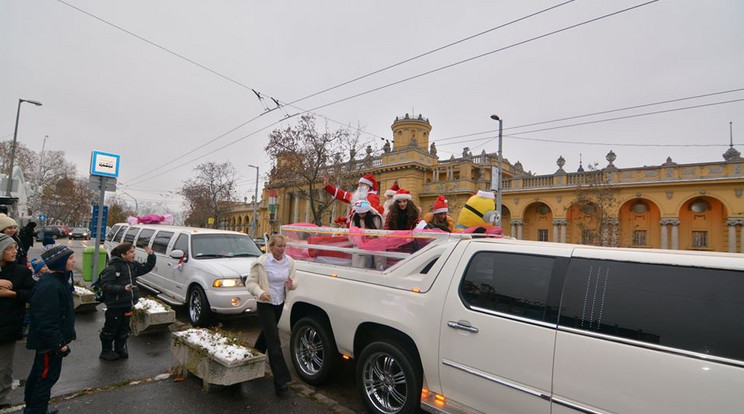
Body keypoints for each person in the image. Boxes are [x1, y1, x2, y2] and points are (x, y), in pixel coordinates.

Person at [24, 244, 76, 414]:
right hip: (49, 345)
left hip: (50, 343)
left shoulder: (58, 281)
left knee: (43, 377)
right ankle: (36, 410)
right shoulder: (50, 286)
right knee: (44, 379)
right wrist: (59, 343)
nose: (73, 261)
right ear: (60, 262)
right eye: (69, 258)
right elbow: (45, 320)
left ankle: (36, 408)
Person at [246, 234, 297, 396]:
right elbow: (250, 283)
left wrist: (292, 284)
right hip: (265, 303)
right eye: (279, 246)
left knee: (266, 336)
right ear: (271, 247)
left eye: (284, 246)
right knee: (274, 341)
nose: (282, 249)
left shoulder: (289, 262)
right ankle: (281, 382)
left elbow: (294, 281)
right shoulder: (261, 263)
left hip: (279, 302)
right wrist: (260, 293)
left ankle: (251, 364)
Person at [98, 242, 155, 361]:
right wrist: (122, 288)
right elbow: (106, 285)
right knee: (111, 328)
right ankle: (106, 351)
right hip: (115, 305)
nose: (134, 254)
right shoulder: (113, 268)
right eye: (131, 252)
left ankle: (120, 348)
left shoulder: (132, 265)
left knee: (124, 328)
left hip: (128, 304)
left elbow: (146, 268)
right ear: (123, 255)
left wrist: (151, 256)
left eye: (134, 252)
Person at [0, 234, 35, 410]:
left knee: (4, 367)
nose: (15, 251)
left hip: (7, 327)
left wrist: (13, 294)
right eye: (9, 248)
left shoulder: (21, 272)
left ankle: (2, 398)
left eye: (14, 247)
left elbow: (33, 293)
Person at [349, 200, 386, 270]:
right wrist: (359, 240)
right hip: (361, 245)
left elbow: (382, 232)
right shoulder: (355, 219)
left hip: (376, 244)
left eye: (363, 213)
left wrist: (374, 237)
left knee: (379, 261)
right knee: (359, 262)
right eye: (360, 214)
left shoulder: (377, 218)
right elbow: (351, 234)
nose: (361, 216)